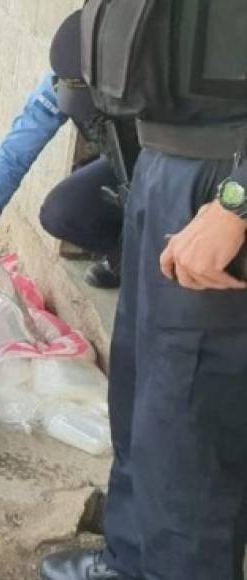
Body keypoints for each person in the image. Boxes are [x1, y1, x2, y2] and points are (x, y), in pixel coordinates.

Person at [41, 2, 247, 580]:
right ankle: (128, 560)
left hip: (218, 180)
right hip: (161, 162)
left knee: (187, 438)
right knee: (137, 403)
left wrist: (238, 200)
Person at [0, 10, 138, 290]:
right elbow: (16, 151)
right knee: (64, 211)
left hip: (169, 169)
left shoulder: (152, 81)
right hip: (121, 166)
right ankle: (125, 259)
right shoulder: (68, 71)